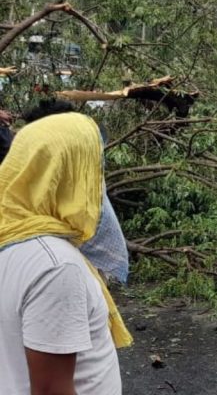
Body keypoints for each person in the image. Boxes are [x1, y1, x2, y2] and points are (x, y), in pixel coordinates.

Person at [0, 113, 131, 394]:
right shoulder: (55, 265)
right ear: (69, 173)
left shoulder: (11, 240)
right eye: (94, 168)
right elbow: (50, 390)